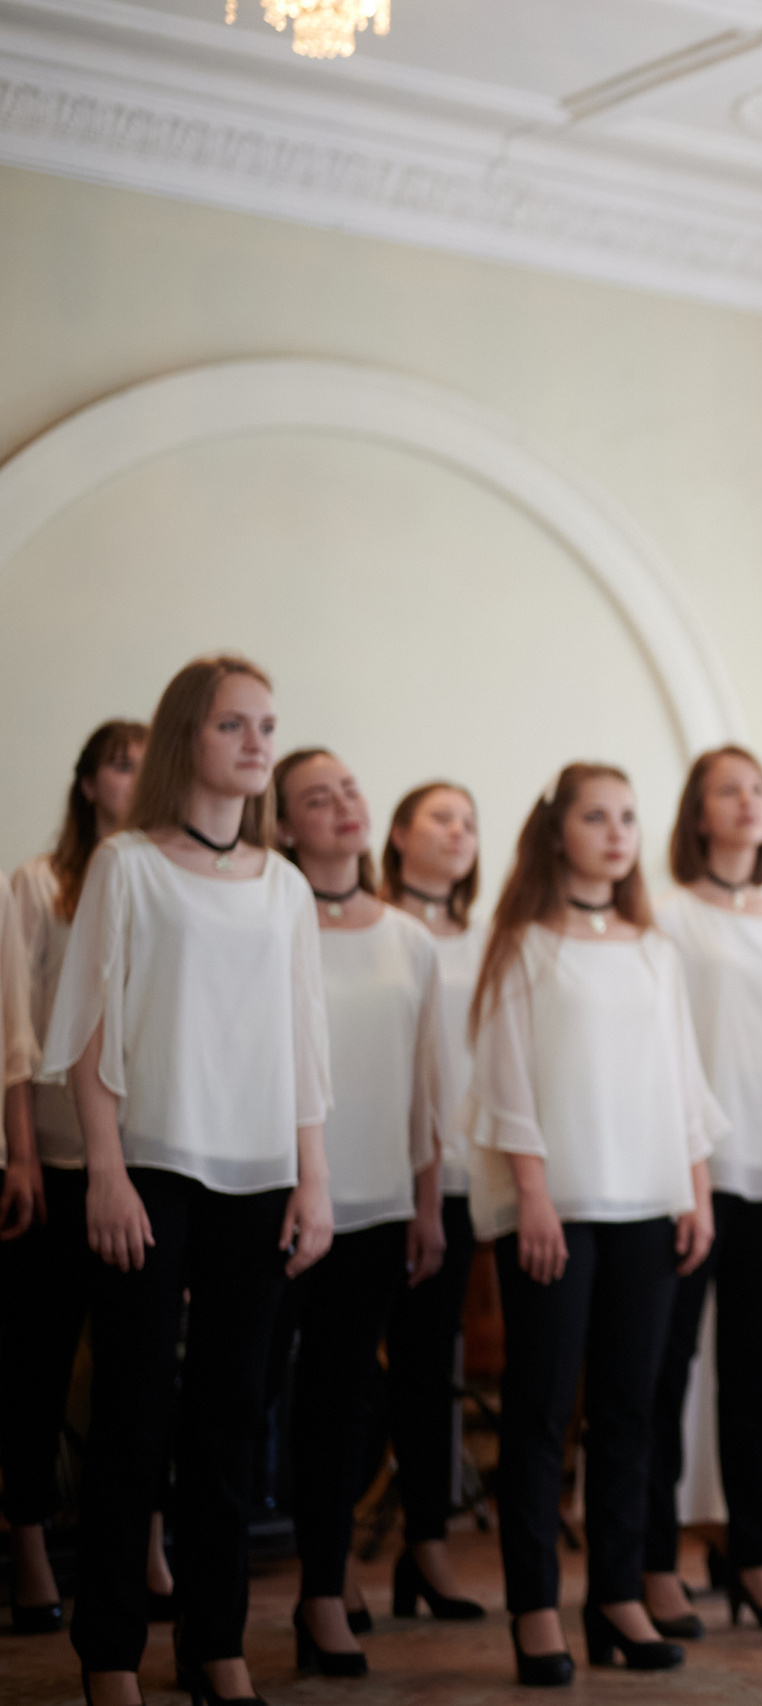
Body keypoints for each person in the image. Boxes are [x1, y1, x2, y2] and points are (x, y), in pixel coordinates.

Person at [40, 656, 333, 1706]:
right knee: (131, 1417)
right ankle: (111, 1652)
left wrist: (315, 1182)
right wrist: (105, 1173)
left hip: (261, 1176)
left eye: (266, 725)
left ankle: (217, 1640)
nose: (257, 743)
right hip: (150, 1168)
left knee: (227, 1423)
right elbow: (88, 1034)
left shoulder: (286, 882)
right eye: (233, 725)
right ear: (186, 739)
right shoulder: (126, 864)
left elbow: (303, 1044)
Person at [465, 762, 722, 1685]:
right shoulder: (522, 944)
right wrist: (532, 1195)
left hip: (649, 1206)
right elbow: (505, 1082)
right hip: (557, 1209)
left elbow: (682, 1083)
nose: (618, 834)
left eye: (628, 817)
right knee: (538, 1414)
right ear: (556, 833)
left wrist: (694, 1190)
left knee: (628, 1411)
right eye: (596, 817)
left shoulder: (655, 950)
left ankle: (616, 1595)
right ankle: (535, 1607)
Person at [643, 747, 762, 1636]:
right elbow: (663, 1047)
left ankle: (751, 1556)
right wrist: (682, 1167)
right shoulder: (669, 917)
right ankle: (654, 1562)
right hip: (693, 1170)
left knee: (755, 1376)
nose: (749, 803)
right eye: (730, 790)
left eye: (760, 788)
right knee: (665, 1371)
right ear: (697, 812)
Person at [272, 747, 446, 1677]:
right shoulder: (266, 914)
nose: (341, 805)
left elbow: (428, 1088)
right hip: (272, 1197)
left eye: (349, 790)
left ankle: (322, 1592)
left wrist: (427, 1204)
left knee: (342, 1404)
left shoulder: (409, 938)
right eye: (316, 797)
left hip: (377, 1203)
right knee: (251, 1394)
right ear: (284, 824)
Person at [2, 718, 147, 1637]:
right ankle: (26, 1544)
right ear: (89, 783)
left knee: (140, 1377)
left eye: (146, 764)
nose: (135, 779)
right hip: (53, 1162)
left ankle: (147, 1545)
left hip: (144, 1165)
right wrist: (19, 1154)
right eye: (119, 764)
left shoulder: (163, 882)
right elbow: (16, 1030)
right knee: (38, 1366)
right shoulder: (40, 884)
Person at [378, 780, 491, 1620]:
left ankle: (427, 1545)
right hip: (366, 1175)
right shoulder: (366, 924)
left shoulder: (491, 941)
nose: (459, 832)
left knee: (429, 1371)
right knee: (342, 1372)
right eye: (441, 818)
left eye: (469, 822)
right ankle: (328, 1563)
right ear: (398, 834)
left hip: (456, 1183)